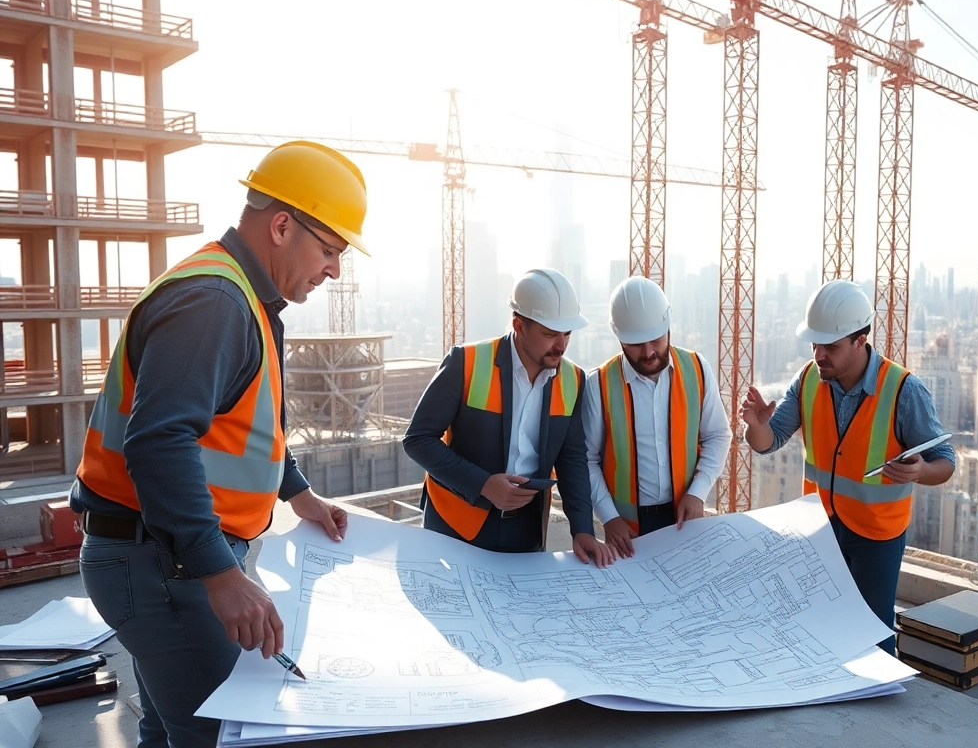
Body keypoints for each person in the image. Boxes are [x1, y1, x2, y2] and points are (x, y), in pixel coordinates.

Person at [70, 141, 367, 747]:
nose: (335, 270)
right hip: (164, 562)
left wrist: (297, 492)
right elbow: (159, 443)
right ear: (281, 227)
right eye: (330, 250)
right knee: (218, 737)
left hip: (160, 555)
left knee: (166, 731)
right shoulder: (215, 302)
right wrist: (221, 575)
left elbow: (238, 426)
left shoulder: (240, 296)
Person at [740, 279, 954, 655]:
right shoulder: (808, 378)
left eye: (831, 347)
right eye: (815, 345)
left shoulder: (904, 391)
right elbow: (767, 443)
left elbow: (945, 462)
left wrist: (921, 471)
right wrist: (756, 426)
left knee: (872, 633)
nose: (819, 355)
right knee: (822, 625)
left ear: (860, 341)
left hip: (877, 535)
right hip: (821, 529)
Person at [403, 268, 613, 567]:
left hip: (526, 532)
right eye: (550, 334)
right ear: (519, 325)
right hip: (456, 525)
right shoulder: (466, 362)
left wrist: (582, 529)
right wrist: (483, 484)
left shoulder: (573, 379)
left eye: (567, 333)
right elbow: (418, 440)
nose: (561, 345)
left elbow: (572, 459)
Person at [583, 276, 732, 557]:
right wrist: (609, 517)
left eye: (656, 340)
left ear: (668, 327)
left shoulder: (697, 369)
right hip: (626, 531)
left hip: (685, 519)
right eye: (636, 344)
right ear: (619, 338)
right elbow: (586, 459)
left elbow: (718, 435)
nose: (649, 352)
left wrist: (698, 491)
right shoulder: (599, 384)